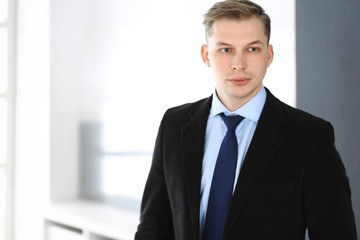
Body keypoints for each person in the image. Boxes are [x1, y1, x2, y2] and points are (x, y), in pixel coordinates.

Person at [135, 0, 357, 239]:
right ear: (205, 55)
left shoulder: (310, 137)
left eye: (252, 49)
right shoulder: (174, 125)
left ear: (269, 54)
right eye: (225, 49)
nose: (238, 65)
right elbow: (153, 227)